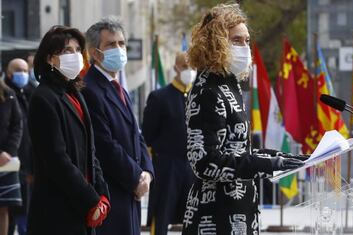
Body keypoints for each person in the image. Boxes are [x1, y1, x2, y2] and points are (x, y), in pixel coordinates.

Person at [183, 4, 307, 234]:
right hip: (215, 216)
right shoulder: (207, 91)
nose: (245, 47)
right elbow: (204, 162)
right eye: (237, 40)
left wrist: (286, 159)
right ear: (215, 45)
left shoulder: (229, 85)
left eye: (247, 40)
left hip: (240, 212)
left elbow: (240, 152)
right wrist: (267, 165)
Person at [27, 25, 110, 235]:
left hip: (83, 208)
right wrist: (90, 199)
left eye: (77, 50)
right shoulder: (43, 98)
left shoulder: (75, 93)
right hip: (57, 211)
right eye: (66, 51)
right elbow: (56, 159)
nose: (74, 56)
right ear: (49, 59)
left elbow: (90, 149)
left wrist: (102, 194)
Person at [83, 17, 154, 235]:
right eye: (111, 44)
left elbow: (136, 135)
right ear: (95, 53)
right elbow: (104, 145)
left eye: (122, 43)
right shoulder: (90, 89)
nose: (119, 49)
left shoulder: (119, 87)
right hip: (111, 190)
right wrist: (135, 178)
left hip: (130, 191)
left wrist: (147, 174)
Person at [142, 52, 196, 235]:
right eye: (185, 66)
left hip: (192, 165)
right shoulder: (160, 97)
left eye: (193, 67)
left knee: (194, 214)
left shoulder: (198, 96)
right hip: (167, 166)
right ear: (176, 68)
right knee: (162, 212)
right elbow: (147, 135)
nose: (190, 71)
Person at [4, 58, 34, 235]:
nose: (23, 74)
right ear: (9, 73)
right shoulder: (6, 94)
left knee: (25, 210)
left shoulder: (30, 91)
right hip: (10, 160)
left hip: (27, 162)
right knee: (10, 211)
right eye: (18, 70)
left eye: (25, 70)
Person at [0, 77, 23, 235]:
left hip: (7, 160)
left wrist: (9, 151)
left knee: (3, 208)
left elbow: (17, 124)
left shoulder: (8, 93)